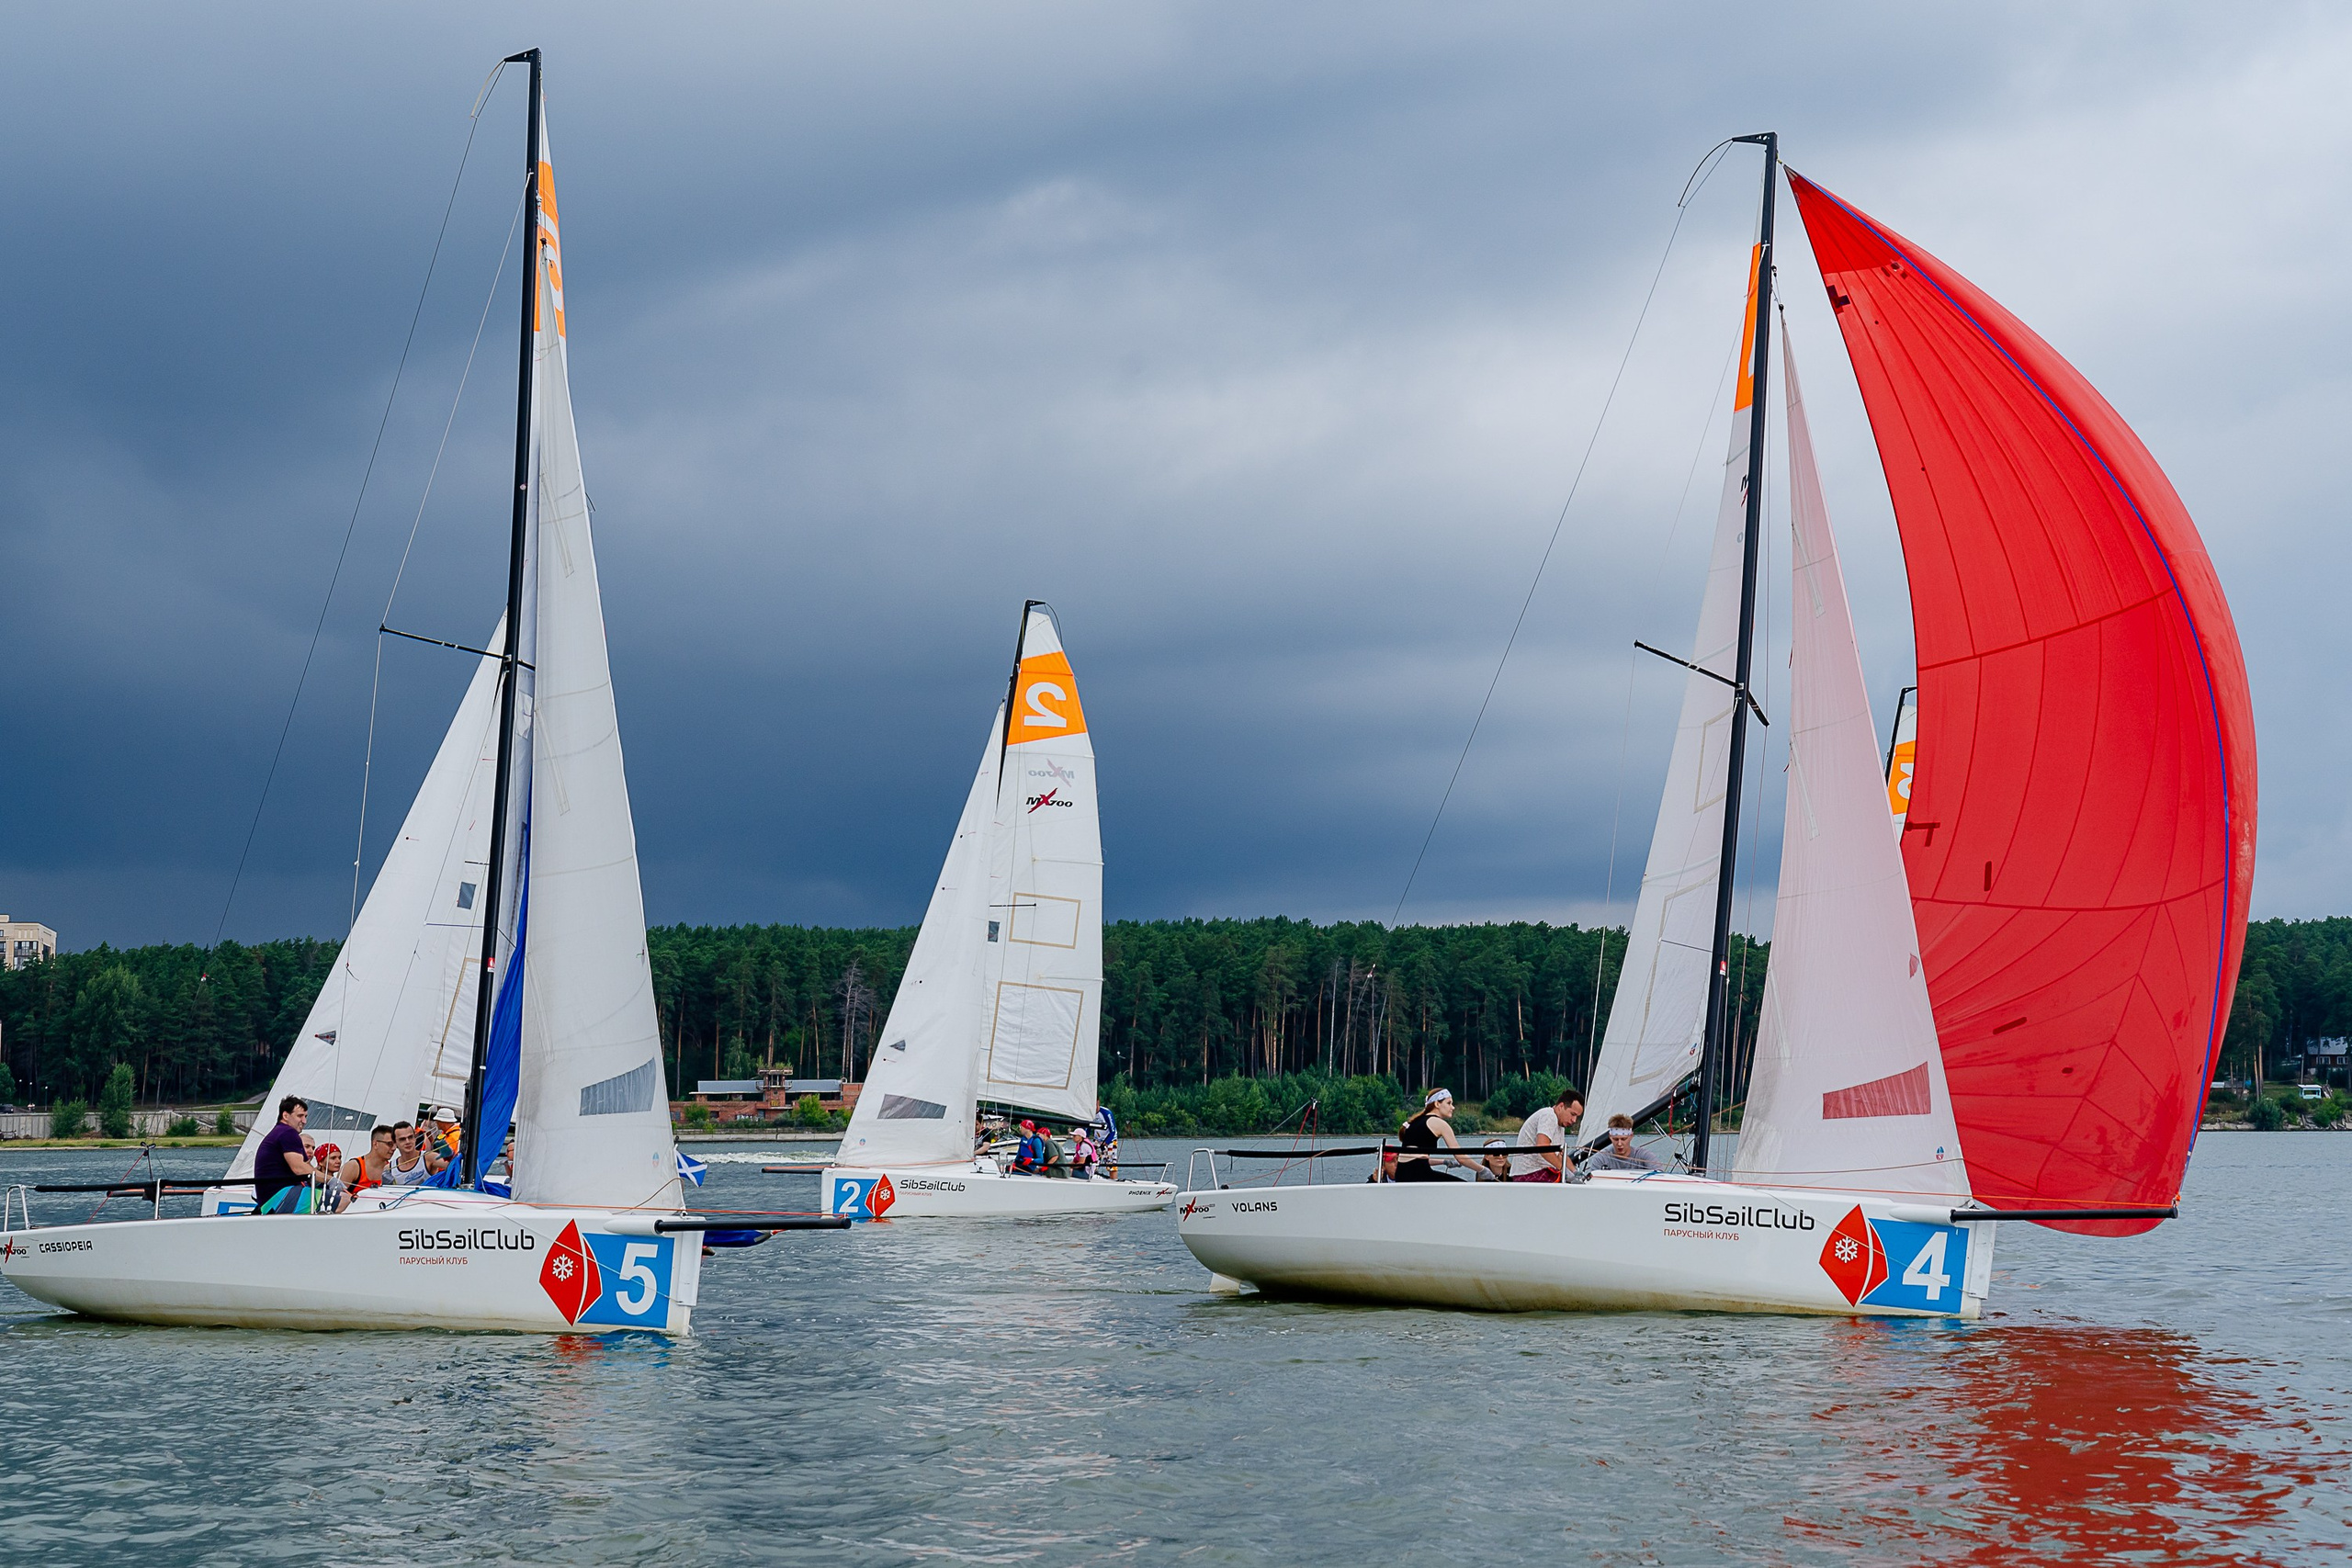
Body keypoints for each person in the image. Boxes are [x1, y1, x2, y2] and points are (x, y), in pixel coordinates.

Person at [252, 1095, 315, 1213]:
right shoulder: (288, 1132)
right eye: (300, 1116)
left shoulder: (280, 1132)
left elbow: (306, 1165)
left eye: (305, 1116)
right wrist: (331, 1180)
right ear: (285, 1116)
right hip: (278, 1198)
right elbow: (299, 1169)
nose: (304, 1121)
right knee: (342, 1199)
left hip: (270, 1200)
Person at [1510, 1085, 1586, 1182]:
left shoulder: (1560, 1125)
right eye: (1573, 1114)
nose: (1574, 1120)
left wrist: (1575, 1172)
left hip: (1540, 1171)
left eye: (1577, 1117)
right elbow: (1543, 1147)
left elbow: (1560, 1155)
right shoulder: (1549, 1115)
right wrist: (1564, 1171)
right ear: (1561, 1106)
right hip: (1530, 1172)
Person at [1395, 1089, 1467, 1182]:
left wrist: (1443, 1161)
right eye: (1449, 1103)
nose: (1453, 1107)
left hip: (1402, 1175)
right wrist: (1482, 1170)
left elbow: (1416, 1159)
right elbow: (1461, 1157)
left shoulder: (1415, 1122)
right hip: (1418, 1175)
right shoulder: (1438, 1123)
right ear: (1437, 1104)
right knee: (1463, 1185)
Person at [1586, 1113, 1664, 1173]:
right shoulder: (1601, 1159)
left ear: (1631, 1136)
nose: (1619, 1144)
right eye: (1616, 1139)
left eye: (1623, 1139)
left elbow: (1659, 1174)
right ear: (1610, 1137)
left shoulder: (1644, 1156)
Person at [341, 1125, 396, 1196]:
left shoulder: (392, 1169)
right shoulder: (353, 1167)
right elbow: (337, 1195)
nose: (394, 1148)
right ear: (375, 1144)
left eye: (396, 1144)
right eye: (390, 1144)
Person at [382, 1122, 435, 1188]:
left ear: (415, 1138)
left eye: (410, 1137)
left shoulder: (428, 1157)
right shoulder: (389, 1168)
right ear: (395, 1143)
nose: (407, 1142)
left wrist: (447, 1154)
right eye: (402, 1139)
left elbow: (447, 1164)